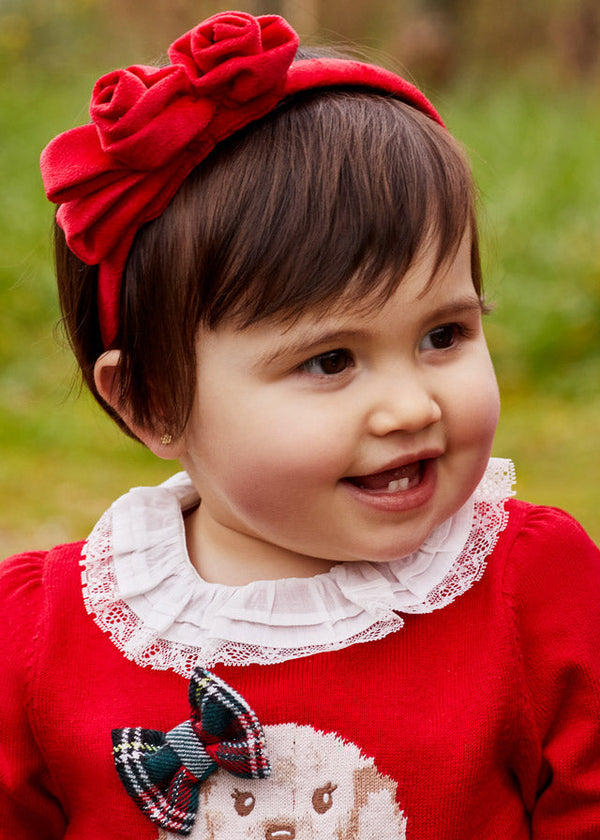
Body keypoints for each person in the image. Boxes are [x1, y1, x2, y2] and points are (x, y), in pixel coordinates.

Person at [1, 10, 598, 839]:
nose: (412, 407)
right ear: (151, 402)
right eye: (331, 361)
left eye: (443, 335)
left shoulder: (535, 594)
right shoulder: (43, 646)